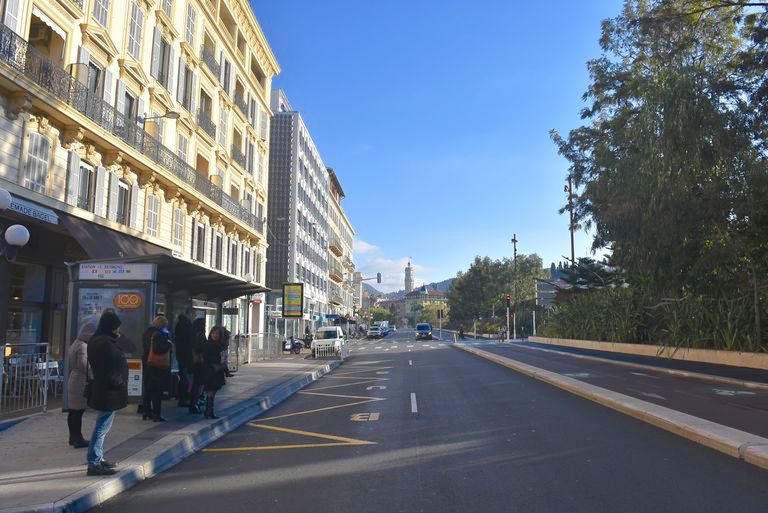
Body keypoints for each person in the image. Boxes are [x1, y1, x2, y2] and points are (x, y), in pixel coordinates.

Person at [86, 310, 128, 476]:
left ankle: (98, 458)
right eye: (116, 327)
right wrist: (119, 382)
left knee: (103, 426)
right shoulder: (103, 343)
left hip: (106, 389)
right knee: (101, 427)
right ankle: (94, 462)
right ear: (110, 327)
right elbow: (107, 368)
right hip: (108, 390)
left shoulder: (99, 340)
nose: (118, 330)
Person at [66, 321, 95, 449]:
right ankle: (78, 438)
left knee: (73, 411)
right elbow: (84, 365)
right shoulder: (83, 346)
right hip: (80, 381)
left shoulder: (75, 344)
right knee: (78, 411)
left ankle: (73, 437)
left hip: (74, 378)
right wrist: (93, 376)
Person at [144, 315, 174, 422]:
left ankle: (146, 412)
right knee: (157, 390)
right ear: (162, 325)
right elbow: (159, 349)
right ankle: (157, 414)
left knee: (148, 389)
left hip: (147, 363)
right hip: (157, 366)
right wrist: (169, 345)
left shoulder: (147, 332)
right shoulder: (159, 334)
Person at [201, 326, 227, 419]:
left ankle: (209, 411)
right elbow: (206, 357)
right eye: (213, 333)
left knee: (214, 390)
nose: (215, 335)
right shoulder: (208, 344)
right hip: (210, 369)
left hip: (218, 370)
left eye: (217, 333)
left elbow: (223, 356)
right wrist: (217, 361)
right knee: (210, 390)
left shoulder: (220, 345)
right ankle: (209, 411)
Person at [174, 308, 195, 408]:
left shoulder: (180, 324)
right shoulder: (187, 325)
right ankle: (183, 398)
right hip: (185, 356)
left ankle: (183, 398)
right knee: (185, 378)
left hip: (181, 354)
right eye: (193, 315)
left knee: (184, 377)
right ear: (189, 314)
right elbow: (189, 343)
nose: (194, 317)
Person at [188, 317, 207, 414]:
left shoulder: (192, 334)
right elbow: (201, 348)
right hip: (199, 362)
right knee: (198, 384)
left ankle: (194, 402)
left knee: (195, 383)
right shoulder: (200, 335)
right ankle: (194, 403)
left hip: (194, 362)